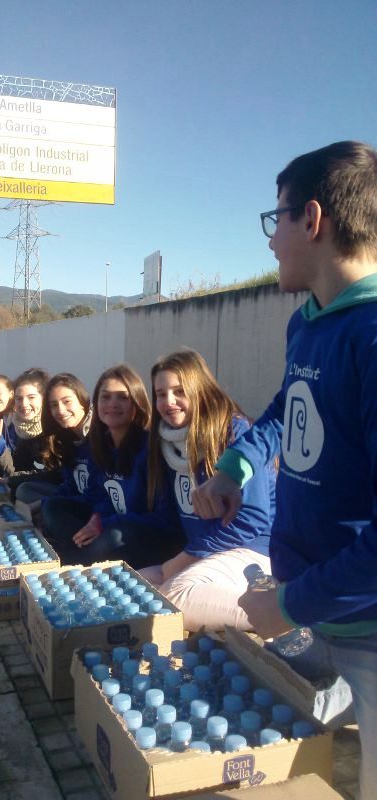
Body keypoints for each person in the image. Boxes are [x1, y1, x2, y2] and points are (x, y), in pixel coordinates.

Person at [192, 141, 377, 799]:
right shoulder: (307, 323)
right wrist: (234, 466)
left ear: (314, 219)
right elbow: (287, 407)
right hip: (313, 608)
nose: (271, 242)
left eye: (277, 219)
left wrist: (291, 604)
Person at [139, 350, 275, 631]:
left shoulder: (234, 432)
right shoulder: (169, 442)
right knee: (134, 585)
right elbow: (169, 516)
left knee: (174, 597)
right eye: (161, 394)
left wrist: (185, 558)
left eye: (179, 391)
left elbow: (253, 518)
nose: (169, 401)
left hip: (256, 552)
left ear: (200, 389)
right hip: (208, 554)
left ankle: (284, 619)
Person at [42, 364, 180, 568]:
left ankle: (69, 562)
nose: (113, 404)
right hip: (113, 524)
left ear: (137, 403)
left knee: (115, 535)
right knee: (54, 507)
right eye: (105, 397)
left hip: (148, 537)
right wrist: (97, 517)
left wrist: (106, 522)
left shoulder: (151, 449)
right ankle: (74, 556)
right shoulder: (101, 445)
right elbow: (100, 497)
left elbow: (165, 519)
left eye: (122, 397)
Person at [16, 372, 92, 504]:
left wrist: (45, 505)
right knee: (24, 490)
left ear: (82, 400)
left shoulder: (98, 435)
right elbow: (69, 484)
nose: (61, 410)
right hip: (77, 498)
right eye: (54, 405)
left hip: (96, 506)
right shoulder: (63, 435)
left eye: (67, 401)